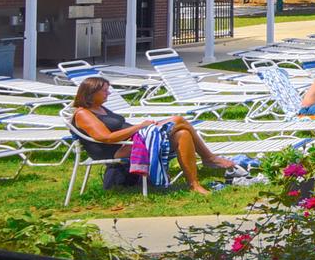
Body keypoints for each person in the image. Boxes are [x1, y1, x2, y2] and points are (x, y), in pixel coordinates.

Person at [70, 76, 237, 195]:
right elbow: (106, 138)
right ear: (91, 93)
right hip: (118, 149)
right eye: (105, 91)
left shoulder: (100, 107)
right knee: (178, 120)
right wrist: (139, 127)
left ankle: (194, 184)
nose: (109, 94)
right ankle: (209, 158)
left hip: (133, 141)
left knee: (183, 134)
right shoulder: (83, 114)